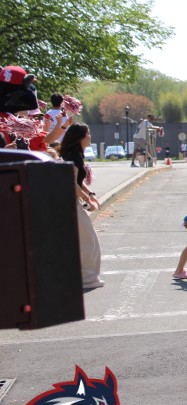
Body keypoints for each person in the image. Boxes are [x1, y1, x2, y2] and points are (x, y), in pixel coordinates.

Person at [60, 124, 104, 289]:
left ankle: (83, 276)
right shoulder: (73, 156)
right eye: (88, 134)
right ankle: (87, 278)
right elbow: (71, 182)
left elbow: (79, 181)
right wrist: (87, 200)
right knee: (88, 241)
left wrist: (90, 194)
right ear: (80, 137)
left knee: (83, 240)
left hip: (70, 202)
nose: (90, 137)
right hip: (69, 202)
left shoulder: (75, 154)